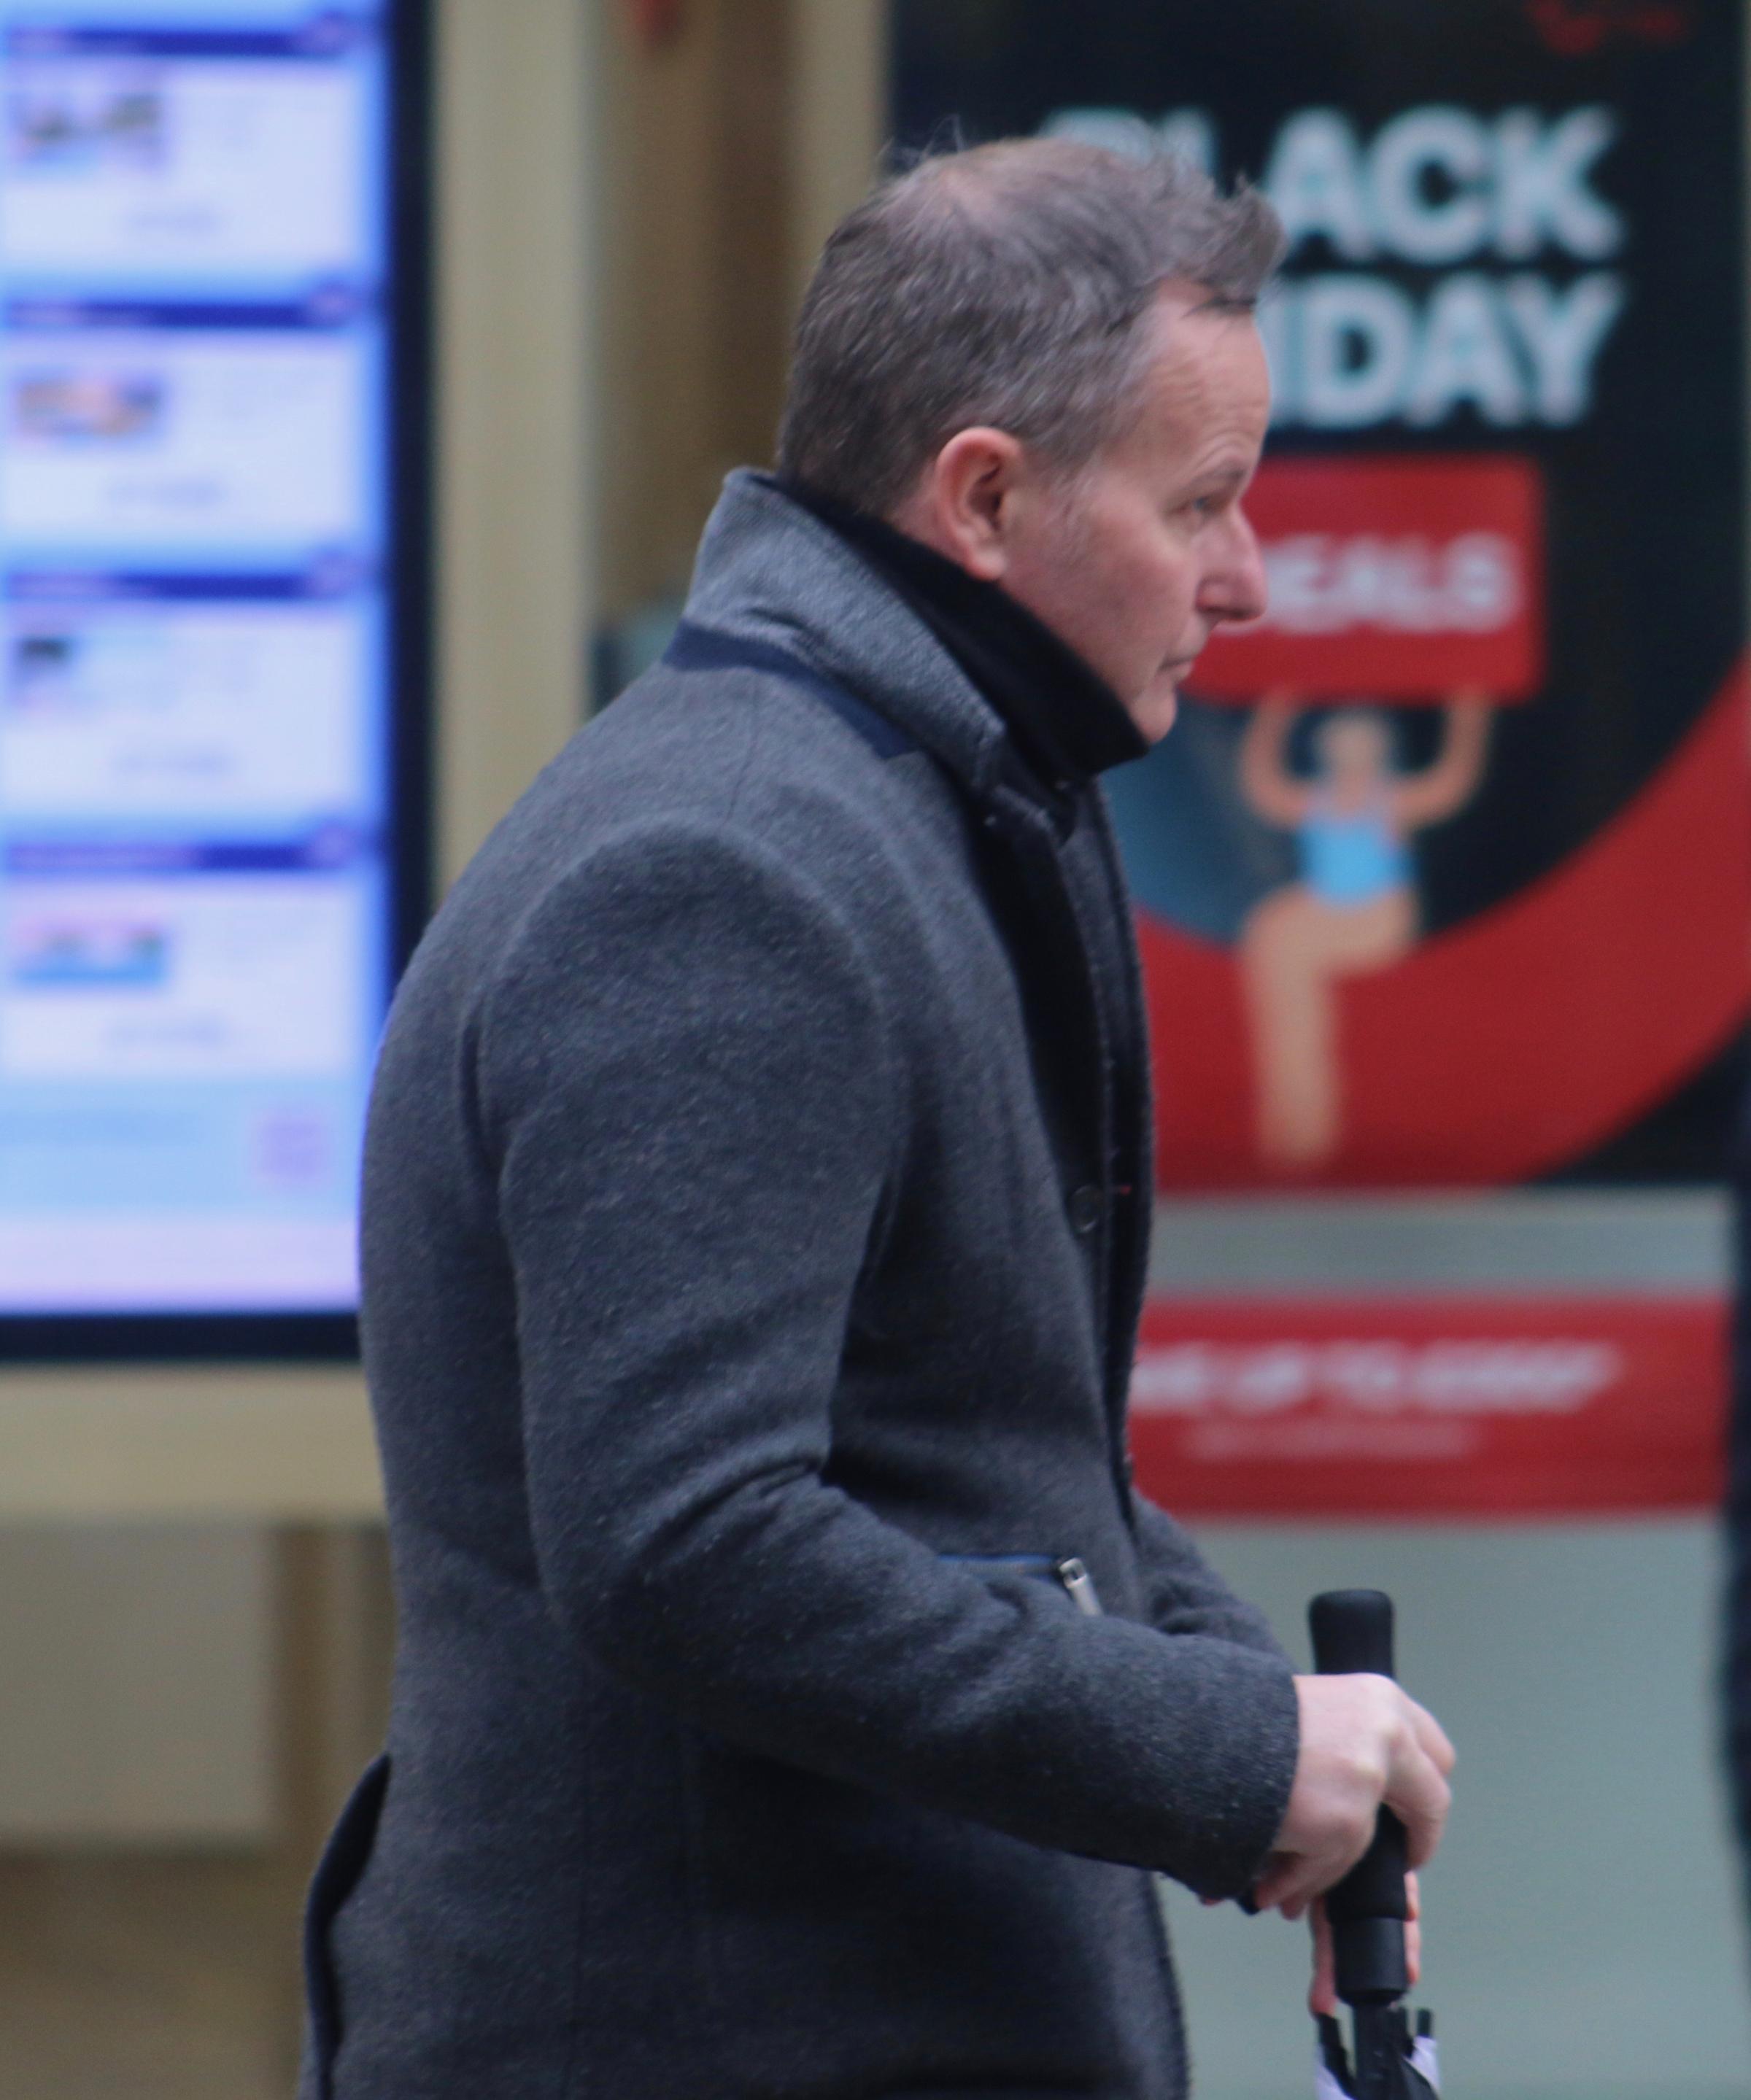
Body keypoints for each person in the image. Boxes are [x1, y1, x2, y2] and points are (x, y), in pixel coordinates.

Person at [299, 140, 1454, 2100]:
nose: (1250, 577)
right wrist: (1221, 1750)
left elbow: (963, 1448)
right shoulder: (724, 867)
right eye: (1202, 505)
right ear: (987, 496)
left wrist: (1253, 1718)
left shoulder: (904, 794)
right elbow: (693, 1536)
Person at [1239, 694, 1491, 1168]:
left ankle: (1306, 1125)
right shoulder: (1318, 800)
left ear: (1378, 752)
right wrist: (1274, 715)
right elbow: (1265, 790)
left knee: (1281, 945)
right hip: (1328, 910)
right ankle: (1295, 1118)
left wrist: (1467, 715)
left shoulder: (1390, 799)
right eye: (1343, 749)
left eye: (1362, 749)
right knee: (1271, 937)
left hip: (1378, 918)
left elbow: (1451, 782)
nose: (1352, 759)